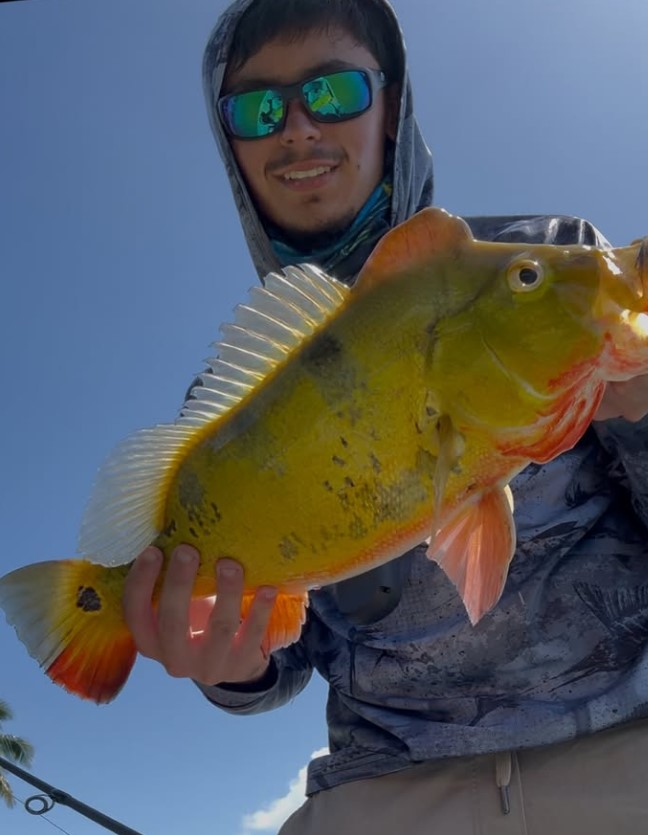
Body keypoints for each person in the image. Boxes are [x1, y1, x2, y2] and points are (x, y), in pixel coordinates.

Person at [123, 1, 648, 832]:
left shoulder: (558, 259)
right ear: (233, 149)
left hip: (627, 745)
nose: (297, 128)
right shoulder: (229, 407)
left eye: (332, 92)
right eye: (258, 109)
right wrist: (229, 666)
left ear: (392, 106)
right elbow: (284, 655)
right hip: (381, 785)